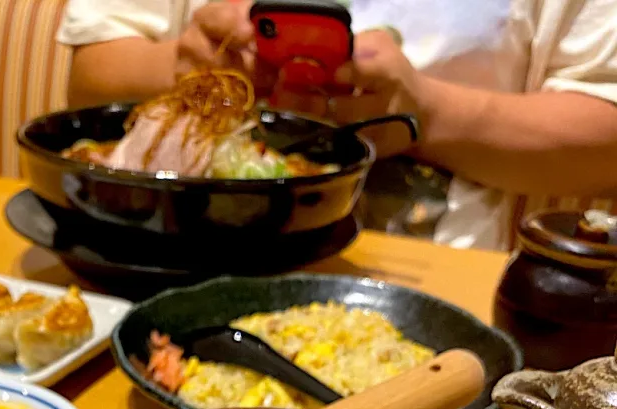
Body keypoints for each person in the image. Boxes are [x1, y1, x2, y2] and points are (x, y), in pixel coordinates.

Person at [58, 0, 617, 249]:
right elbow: (92, 77)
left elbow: (604, 144)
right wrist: (189, 68)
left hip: (435, 287)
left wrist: (426, 115)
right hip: (168, 256)